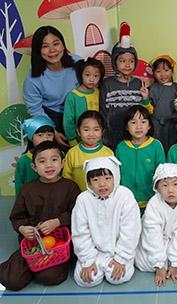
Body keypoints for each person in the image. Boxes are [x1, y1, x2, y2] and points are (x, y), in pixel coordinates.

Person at [0, 141, 80, 291]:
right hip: (33, 242)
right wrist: (23, 228)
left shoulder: (70, 187)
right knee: (12, 280)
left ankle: (43, 267)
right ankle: (26, 265)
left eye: (54, 159)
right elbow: (17, 217)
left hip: (59, 243)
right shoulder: (27, 189)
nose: (49, 165)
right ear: (34, 167)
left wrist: (58, 222)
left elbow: (78, 215)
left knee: (49, 277)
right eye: (42, 161)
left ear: (62, 163)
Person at [72, 156, 141, 287]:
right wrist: (87, 260)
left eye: (108, 178)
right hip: (93, 252)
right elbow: (80, 233)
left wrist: (121, 258)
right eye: (95, 180)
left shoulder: (124, 195)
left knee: (117, 278)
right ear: (88, 182)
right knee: (86, 280)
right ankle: (95, 261)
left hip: (118, 251)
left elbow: (131, 231)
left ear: (116, 177)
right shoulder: (83, 199)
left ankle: (119, 261)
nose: (102, 184)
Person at [22, 25, 79, 147]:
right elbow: (35, 110)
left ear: (63, 45)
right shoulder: (32, 79)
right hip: (51, 117)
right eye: (45, 46)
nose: (52, 50)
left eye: (56, 44)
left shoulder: (78, 63)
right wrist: (52, 130)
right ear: (38, 51)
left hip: (78, 111)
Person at [135, 163, 177, 286]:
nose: (170, 190)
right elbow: (152, 235)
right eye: (164, 185)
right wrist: (159, 265)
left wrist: (176, 263)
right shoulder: (154, 204)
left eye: (175, 184)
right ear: (157, 188)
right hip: (155, 242)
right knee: (145, 263)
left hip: (173, 241)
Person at [99, 26, 152, 150]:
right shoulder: (107, 84)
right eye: (122, 61)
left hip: (135, 137)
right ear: (115, 62)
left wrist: (145, 98)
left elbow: (145, 112)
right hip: (112, 134)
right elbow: (102, 110)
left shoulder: (139, 83)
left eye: (131, 61)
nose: (127, 65)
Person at [115, 105, 165, 210]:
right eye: (133, 122)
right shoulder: (121, 147)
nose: (138, 126)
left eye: (143, 122)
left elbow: (162, 174)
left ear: (149, 126)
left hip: (151, 202)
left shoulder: (156, 145)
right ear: (126, 127)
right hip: (126, 203)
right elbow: (116, 175)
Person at [63, 111, 113, 191]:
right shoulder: (72, 153)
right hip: (77, 196)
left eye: (96, 130)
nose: (91, 134)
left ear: (102, 131)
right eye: (86, 130)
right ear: (78, 131)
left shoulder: (108, 153)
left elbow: (112, 178)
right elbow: (66, 179)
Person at [63, 57, 105, 146]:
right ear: (81, 75)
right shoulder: (72, 96)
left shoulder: (99, 93)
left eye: (96, 76)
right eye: (87, 75)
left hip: (97, 141)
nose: (91, 79)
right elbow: (68, 121)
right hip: (78, 142)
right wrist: (72, 139)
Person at [149, 55, 177, 153]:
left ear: (172, 71)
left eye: (166, 70)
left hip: (173, 124)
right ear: (154, 73)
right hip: (157, 124)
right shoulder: (152, 88)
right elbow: (149, 107)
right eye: (158, 71)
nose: (163, 74)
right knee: (158, 147)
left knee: (173, 146)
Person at [15, 116, 55, 195]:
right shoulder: (24, 161)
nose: (45, 139)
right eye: (40, 135)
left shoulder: (60, 156)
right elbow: (19, 186)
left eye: (49, 135)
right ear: (31, 137)